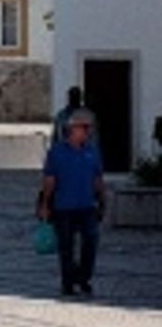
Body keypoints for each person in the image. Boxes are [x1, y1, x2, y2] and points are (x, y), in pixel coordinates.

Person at [39, 109, 105, 297]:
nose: (87, 131)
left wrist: (102, 199)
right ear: (72, 130)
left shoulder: (92, 152)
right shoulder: (57, 152)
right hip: (64, 207)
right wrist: (45, 204)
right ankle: (67, 282)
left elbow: (97, 178)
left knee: (90, 242)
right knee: (66, 247)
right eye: (83, 127)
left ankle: (84, 277)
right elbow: (49, 180)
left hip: (87, 206)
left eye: (88, 128)